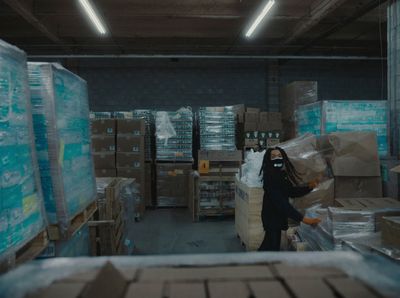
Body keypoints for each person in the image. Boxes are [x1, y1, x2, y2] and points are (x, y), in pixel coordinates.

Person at [258, 147, 321, 251]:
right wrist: (303, 219)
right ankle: (259, 264)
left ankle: (258, 263)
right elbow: (281, 203)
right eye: (273, 157)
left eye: (279, 156)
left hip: (277, 217)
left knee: (270, 245)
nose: (277, 159)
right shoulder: (270, 177)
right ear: (268, 160)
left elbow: (291, 192)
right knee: (271, 247)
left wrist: (309, 187)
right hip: (271, 218)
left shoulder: (281, 175)